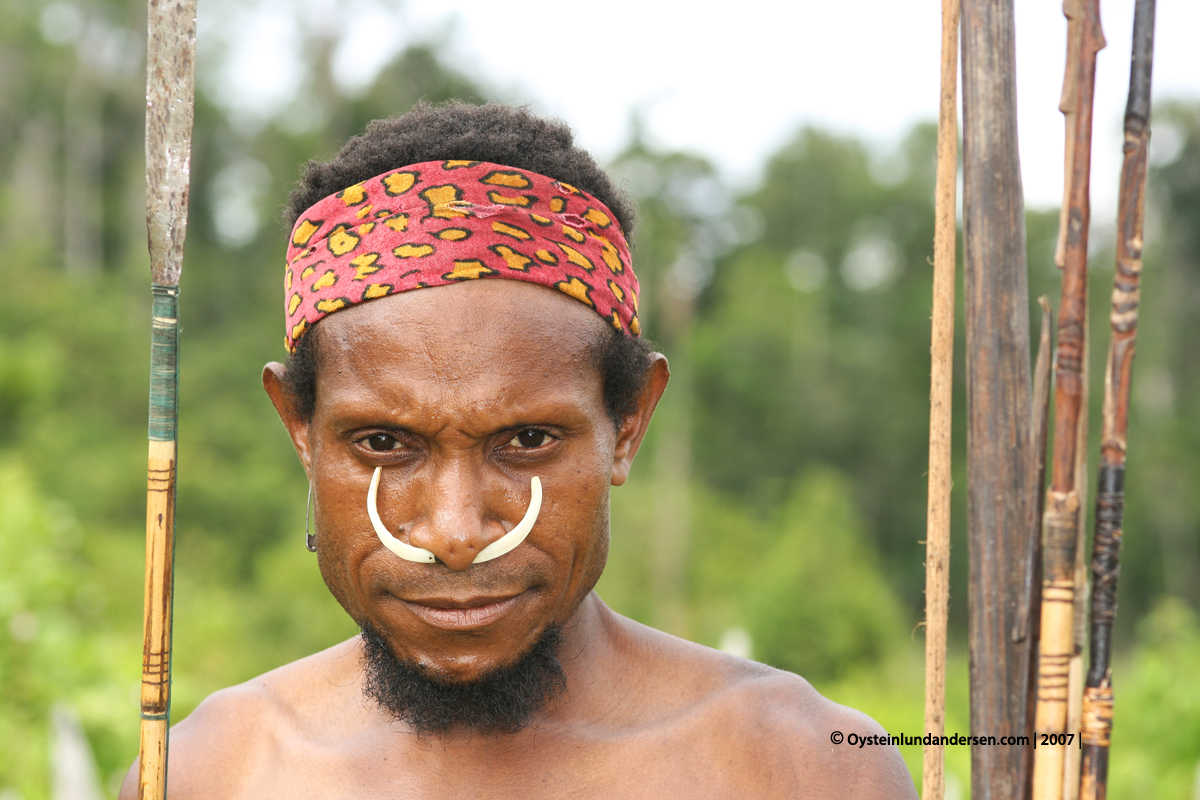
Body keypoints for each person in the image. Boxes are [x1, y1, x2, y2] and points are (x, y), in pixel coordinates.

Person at [120, 101, 917, 799]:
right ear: (300, 428)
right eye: (385, 443)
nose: (456, 534)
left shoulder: (805, 770)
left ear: (628, 423)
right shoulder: (205, 776)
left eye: (528, 440)